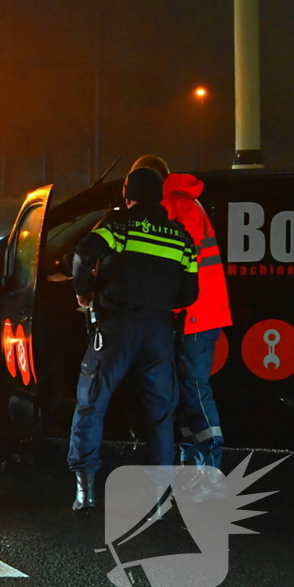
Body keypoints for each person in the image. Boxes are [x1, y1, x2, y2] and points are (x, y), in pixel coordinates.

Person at [68, 167, 199, 511]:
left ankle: (85, 490)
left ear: (127, 195)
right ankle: (158, 496)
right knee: (159, 413)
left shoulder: (118, 225)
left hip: (116, 328)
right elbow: (189, 294)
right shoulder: (181, 237)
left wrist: (84, 293)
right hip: (158, 332)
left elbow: (83, 253)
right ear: (160, 198)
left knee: (92, 402)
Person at [133, 154, 231, 478]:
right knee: (186, 391)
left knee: (193, 389)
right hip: (196, 313)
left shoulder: (177, 205)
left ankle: (208, 465)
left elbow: (167, 262)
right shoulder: (184, 203)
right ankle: (195, 461)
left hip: (195, 315)